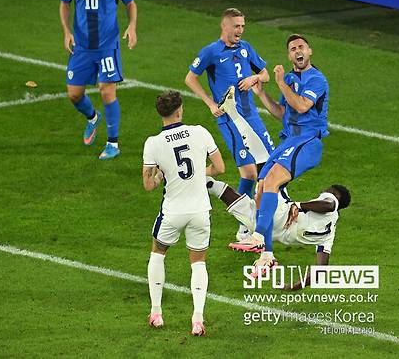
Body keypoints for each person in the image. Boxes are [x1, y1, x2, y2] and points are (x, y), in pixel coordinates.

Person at [229, 34, 329, 272]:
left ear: (310, 51)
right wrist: (262, 94)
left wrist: (281, 82)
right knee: (261, 188)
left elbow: (303, 105)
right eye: (293, 48)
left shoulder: (317, 79)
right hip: (289, 141)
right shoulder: (292, 78)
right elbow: (282, 112)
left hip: (307, 141)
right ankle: (268, 256)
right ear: (289, 55)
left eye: (301, 47)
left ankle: (258, 237)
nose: (298, 51)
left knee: (272, 181)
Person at [142, 90, 225, 336]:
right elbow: (220, 168)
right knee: (198, 263)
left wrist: (161, 173)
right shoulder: (200, 132)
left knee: (158, 254)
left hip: (172, 212)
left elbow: (148, 185)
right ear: (180, 111)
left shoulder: (153, 143)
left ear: (162, 114)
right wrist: (200, 172)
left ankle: (156, 313)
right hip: (200, 211)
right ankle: (197, 319)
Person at [185, 8, 274, 205]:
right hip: (230, 120)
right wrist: (210, 103)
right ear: (224, 26)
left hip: (251, 115)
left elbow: (266, 75)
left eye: (242, 26)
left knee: (269, 165)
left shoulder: (246, 48)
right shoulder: (211, 52)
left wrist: (255, 77)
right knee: (249, 174)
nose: (240, 30)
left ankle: (255, 211)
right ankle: (244, 219)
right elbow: (190, 78)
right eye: (236, 26)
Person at [60, 0, 137, 160]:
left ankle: (113, 143)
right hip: (82, 47)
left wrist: (132, 26)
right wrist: (66, 31)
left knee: (107, 90)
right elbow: (65, 3)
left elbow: (130, 3)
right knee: (74, 94)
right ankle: (93, 118)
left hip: (107, 47)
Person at [206, 177, 350, 290]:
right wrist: (294, 286)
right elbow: (320, 270)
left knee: (270, 176)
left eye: (328, 190)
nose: (324, 191)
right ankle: (208, 183)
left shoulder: (331, 201)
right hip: (268, 230)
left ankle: (265, 253)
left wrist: (298, 205)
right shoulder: (328, 238)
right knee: (222, 192)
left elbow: (329, 205)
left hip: (278, 214)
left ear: (335, 195)